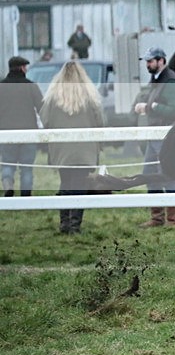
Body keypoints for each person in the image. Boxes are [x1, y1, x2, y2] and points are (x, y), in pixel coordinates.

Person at [40, 62, 104, 234]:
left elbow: (45, 120)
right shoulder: (90, 97)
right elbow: (100, 122)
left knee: (66, 183)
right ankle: (75, 225)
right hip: (85, 150)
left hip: (62, 150)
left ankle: (64, 223)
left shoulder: (53, 98)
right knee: (80, 185)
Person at [134, 47, 175, 227]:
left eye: (150, 61)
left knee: (169, 175)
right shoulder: (157, 80)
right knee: (149, 174)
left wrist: (152, 107)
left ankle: (173, 219)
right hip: (154, 135)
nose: (147, 64)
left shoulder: (170, 81)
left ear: (161, 61)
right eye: (147, 61)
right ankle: (157, 217)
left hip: (165, 136)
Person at [0, 56, 44, 197]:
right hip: (28, 132)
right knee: (27, 168)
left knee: (7, 163)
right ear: (22, 68)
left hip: (6, 132)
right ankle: (25, 195)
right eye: (25, 67)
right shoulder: (31, 86)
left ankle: (8, 185)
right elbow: (42, 108)